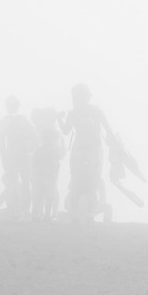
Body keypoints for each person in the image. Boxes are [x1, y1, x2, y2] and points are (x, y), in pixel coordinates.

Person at [58, 84, 113, 224]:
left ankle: (76, 214)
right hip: (93, 151)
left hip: (80, 151)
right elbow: (108, 130)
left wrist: (59, 119)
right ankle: (89, 214)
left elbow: (65, 131)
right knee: (92, 181)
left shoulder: (74, 113)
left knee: (77, 180)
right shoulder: (96, 111)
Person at [0, 96, 39, 220]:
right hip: (24, 154)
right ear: (18, 105)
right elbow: (35, 136)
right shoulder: (24, 119)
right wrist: (31, 150)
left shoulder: (4, 120)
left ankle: (15, 211)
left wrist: (3, 157)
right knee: (25, 183)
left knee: (13, 183)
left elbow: (1, 143)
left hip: (12, 154)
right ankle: (25, 211)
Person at [30, 107, 65, 222]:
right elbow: (60, 155)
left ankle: (38, 214)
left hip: (40, 174)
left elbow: (34, 160)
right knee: (50, 194)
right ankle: (48, 214)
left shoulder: (41, 144)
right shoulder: (55, 136)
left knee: (40, 194)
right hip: (50, 175)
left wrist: (34, 171)